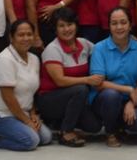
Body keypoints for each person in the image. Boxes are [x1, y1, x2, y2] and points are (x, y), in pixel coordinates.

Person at [0, 20, 52, 151]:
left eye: (29, 34)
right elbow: (8, 97)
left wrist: (33, 114)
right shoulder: (5, 60)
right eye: (21, 35)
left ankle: (13, 131)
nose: (26, 38)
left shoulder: (34, 59)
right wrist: (27, 121)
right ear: (11, 37)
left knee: (46, 137)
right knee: (31, 141)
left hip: (20, 113)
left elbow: (30, 91)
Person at [36, 8, 103, 147]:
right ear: (55, 30)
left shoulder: (84, 44)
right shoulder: (52, 49)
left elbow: (104, 50)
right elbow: (60, 81)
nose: (66, 29)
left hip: (72, 97)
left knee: (94, 126)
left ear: (76, 26)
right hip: (49, 99)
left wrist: (128, 39)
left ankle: (59, 122)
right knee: (81, 89)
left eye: (70, 24)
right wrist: (87, 80)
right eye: (61, 26)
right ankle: (66, 131)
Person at [89, 7, 137, 147]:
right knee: (112, 95)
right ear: (109, 26)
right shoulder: (99, 48)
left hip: (128, 99)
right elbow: (98, 84)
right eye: (114, 23)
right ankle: (110, 132)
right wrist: (128, 89)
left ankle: (117, 123)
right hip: (104, 98)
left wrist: (131, 103)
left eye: (123, 22)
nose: (119, 27)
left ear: (130, 25)